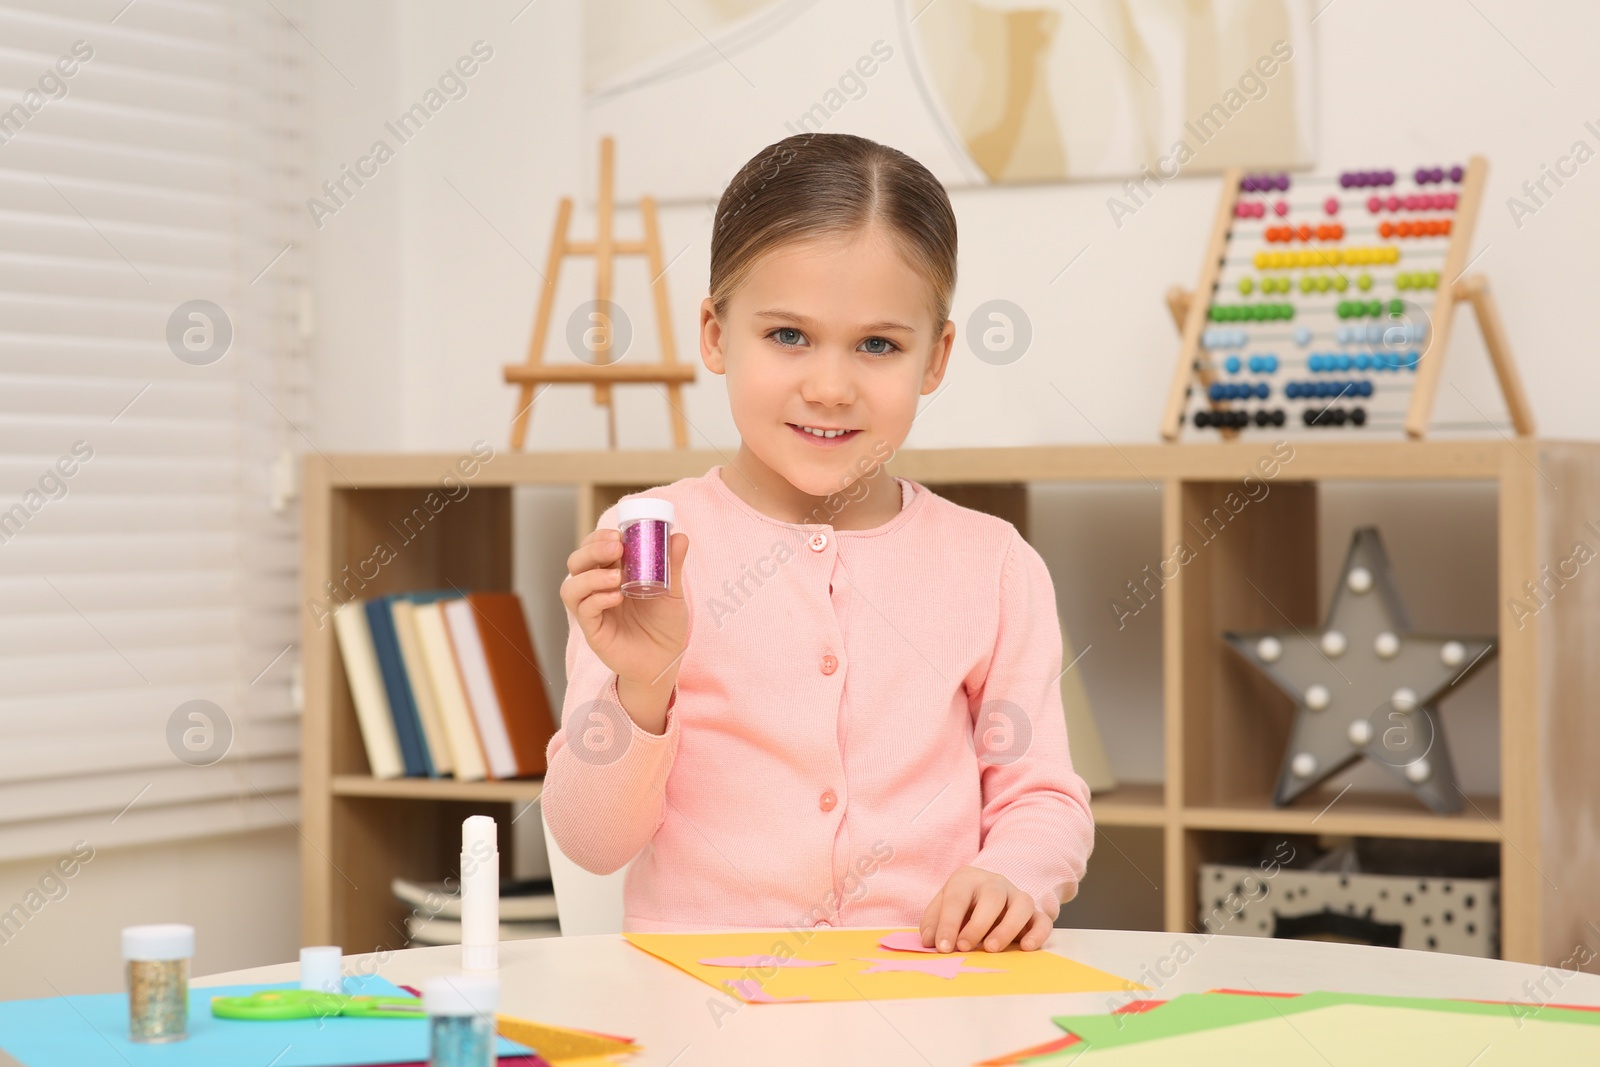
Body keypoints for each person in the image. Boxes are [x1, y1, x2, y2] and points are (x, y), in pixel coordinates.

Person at [543, 132, 1094, 954]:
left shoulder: (994, 564)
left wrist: (1012, 872)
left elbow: (1042, 796)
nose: (830, 387)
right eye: (788, 336)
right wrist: (642, 685)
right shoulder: (649, 544)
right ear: (715, 334)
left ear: (935, 356)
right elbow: (592, 839)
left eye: (878, 345)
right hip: (700, 1002)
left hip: (928, 994)